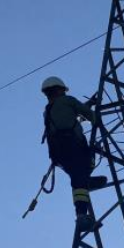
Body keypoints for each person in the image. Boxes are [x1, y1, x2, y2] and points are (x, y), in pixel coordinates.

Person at [41, 76, 107, 233]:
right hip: (73, 147)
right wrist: (98, 122)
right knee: (81, 173)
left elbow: (71, 117)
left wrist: (89, 104)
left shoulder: (48, 110)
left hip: (59, 154)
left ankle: (86, 182)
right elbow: (86, 114)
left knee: (79, 175)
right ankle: (82, 217)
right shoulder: (68, 101)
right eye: (62, 90)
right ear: (58, 89)